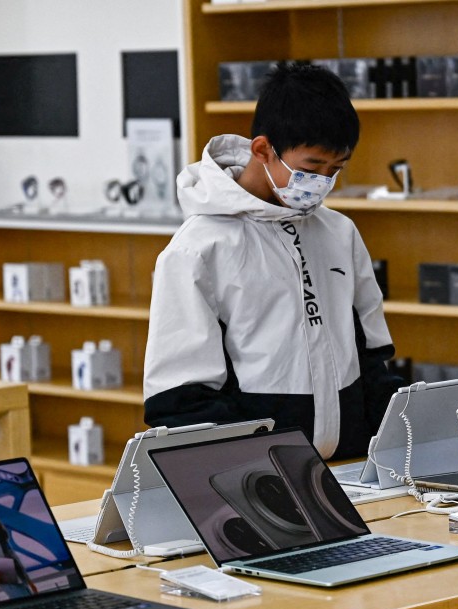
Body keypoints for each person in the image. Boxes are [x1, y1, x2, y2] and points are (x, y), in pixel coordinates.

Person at [143, 63, 402, 459]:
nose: (322, 182)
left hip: (352, 469)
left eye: (335, 170)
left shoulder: (339, 233)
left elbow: (370, 359)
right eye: (311, 168)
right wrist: (252, 473)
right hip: (262, 481)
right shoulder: (197, 250)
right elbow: (180, 400)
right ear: (262, 149)